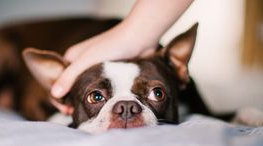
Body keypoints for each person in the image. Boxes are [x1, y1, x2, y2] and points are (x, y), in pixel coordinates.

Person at [51, 0, 194, 101]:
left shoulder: (164, 69)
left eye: (157, 94)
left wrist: (134, 34)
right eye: (97, 97)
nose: (126, 110)